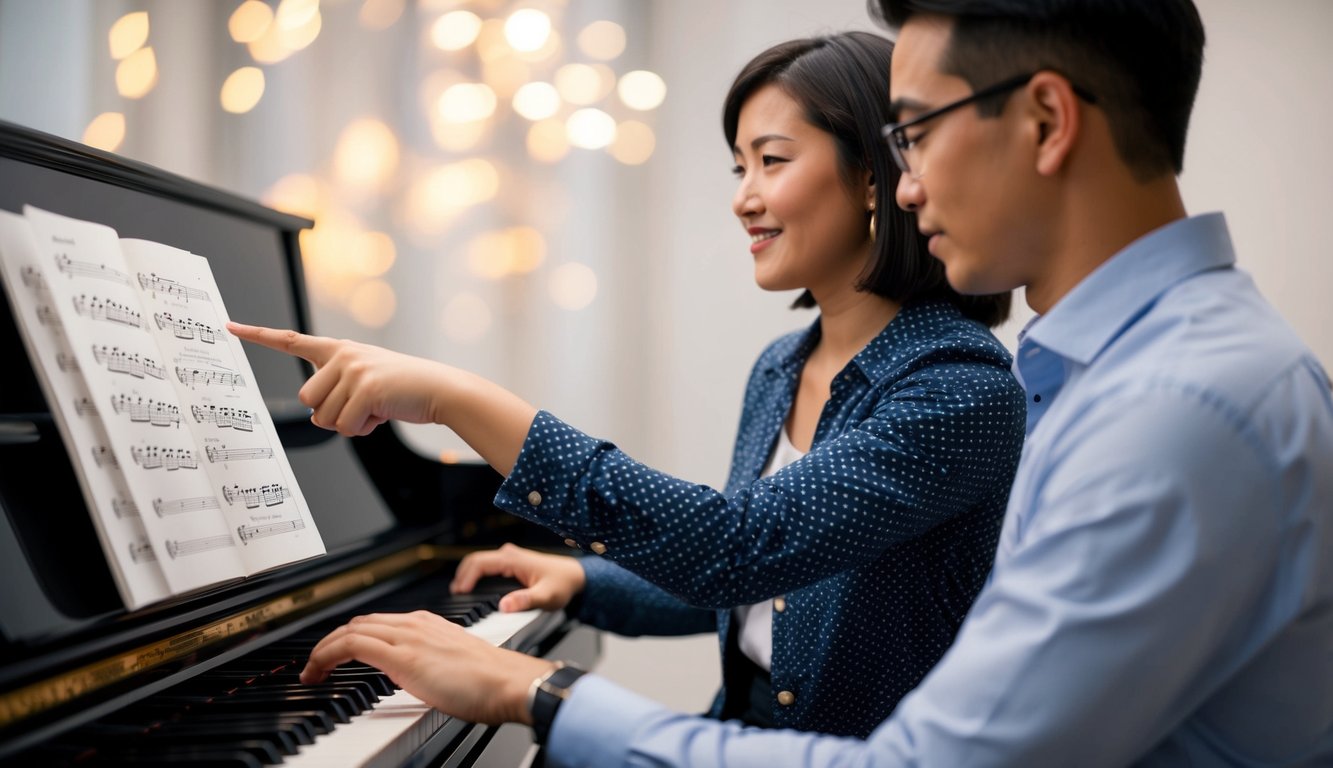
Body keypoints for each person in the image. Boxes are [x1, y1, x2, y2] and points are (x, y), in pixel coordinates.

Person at [262, 0, 1333, 765]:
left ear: (1046, 121)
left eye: (912, 135)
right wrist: (590, 589)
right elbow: (779, 572)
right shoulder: (1095, 377)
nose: (910, 182)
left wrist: (539, 690)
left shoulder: (1156, 409)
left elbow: (745, 549)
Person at [231, 29, 1027, 741]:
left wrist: (456, 399)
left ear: (871, 178)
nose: (742, 197)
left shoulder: (956, 389)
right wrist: (583, 580)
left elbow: (737, 551)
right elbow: (762, 589)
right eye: (738, 165)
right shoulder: (784, 366)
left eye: (772, 161)